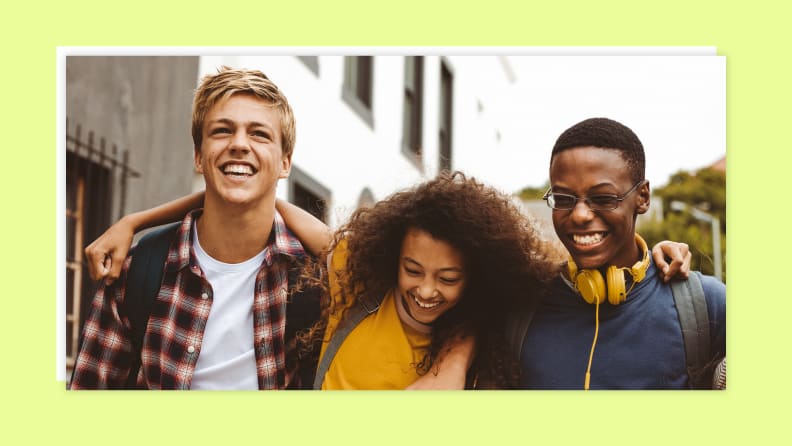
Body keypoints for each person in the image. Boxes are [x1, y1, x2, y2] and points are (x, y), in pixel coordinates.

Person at [83, 168, 692, 389]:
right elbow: (258, 200)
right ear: (387, 258)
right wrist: (135, 220)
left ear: (474, 283)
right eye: (413, 270)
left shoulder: (470, 334)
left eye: (449, 278)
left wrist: (654, 249)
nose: (427, 289)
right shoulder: (355, 281)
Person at [69, 66, 320, 390]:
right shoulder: (138, 270)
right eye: (222, 131)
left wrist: (136, 219)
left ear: (285, 162)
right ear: (199, 157)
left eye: (259, 133)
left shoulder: (316, 278)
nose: (239, 144)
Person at [514, 117, 726, 389]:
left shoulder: (706, 305)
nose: (579, 215)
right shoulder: (520, 307)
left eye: (603, 198)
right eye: (564, 199)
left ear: (643, 197)